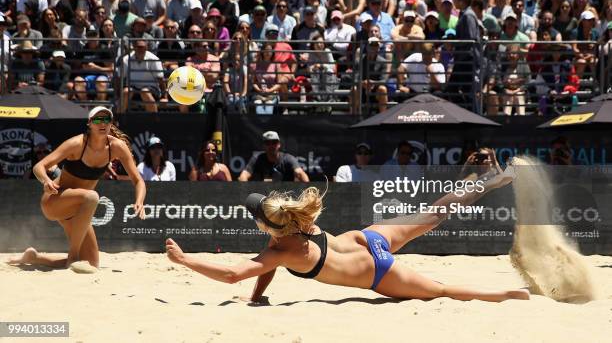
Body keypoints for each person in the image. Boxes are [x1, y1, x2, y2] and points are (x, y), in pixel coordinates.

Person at [166, 149, 528, 302]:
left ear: (267, 227)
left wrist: (184, 261)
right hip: (368, 237)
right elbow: (266, 268)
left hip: (377, 269)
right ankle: (493, 181)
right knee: (436, 211)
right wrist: (258, 295)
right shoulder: (298, 222)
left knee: (442, 291)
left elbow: (231, 274)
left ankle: (507, 296)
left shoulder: (280, 250)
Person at [8, 107, 145, 269]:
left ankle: (35, 257)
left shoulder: (117, 147)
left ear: (111, 123)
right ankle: (72, 257)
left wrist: (140, 201)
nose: (102, 123)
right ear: (89, 123)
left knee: (91, 264)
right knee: (92, 197)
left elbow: (138, 181)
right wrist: (46, 181)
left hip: (79, 210)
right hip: (55, 201)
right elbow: (39, 166)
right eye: (97, 120)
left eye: (106, 120)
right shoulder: (77, 144)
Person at [238, 131, 309, 182]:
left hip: (285, 197)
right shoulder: (257, 158)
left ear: (279, 144)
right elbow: (243, 176)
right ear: (263, 145)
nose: (271, 146)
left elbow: (300, 173)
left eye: (274, 142)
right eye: (268, 143)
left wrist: (308, 194)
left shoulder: (288, 158)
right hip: (263, 196)